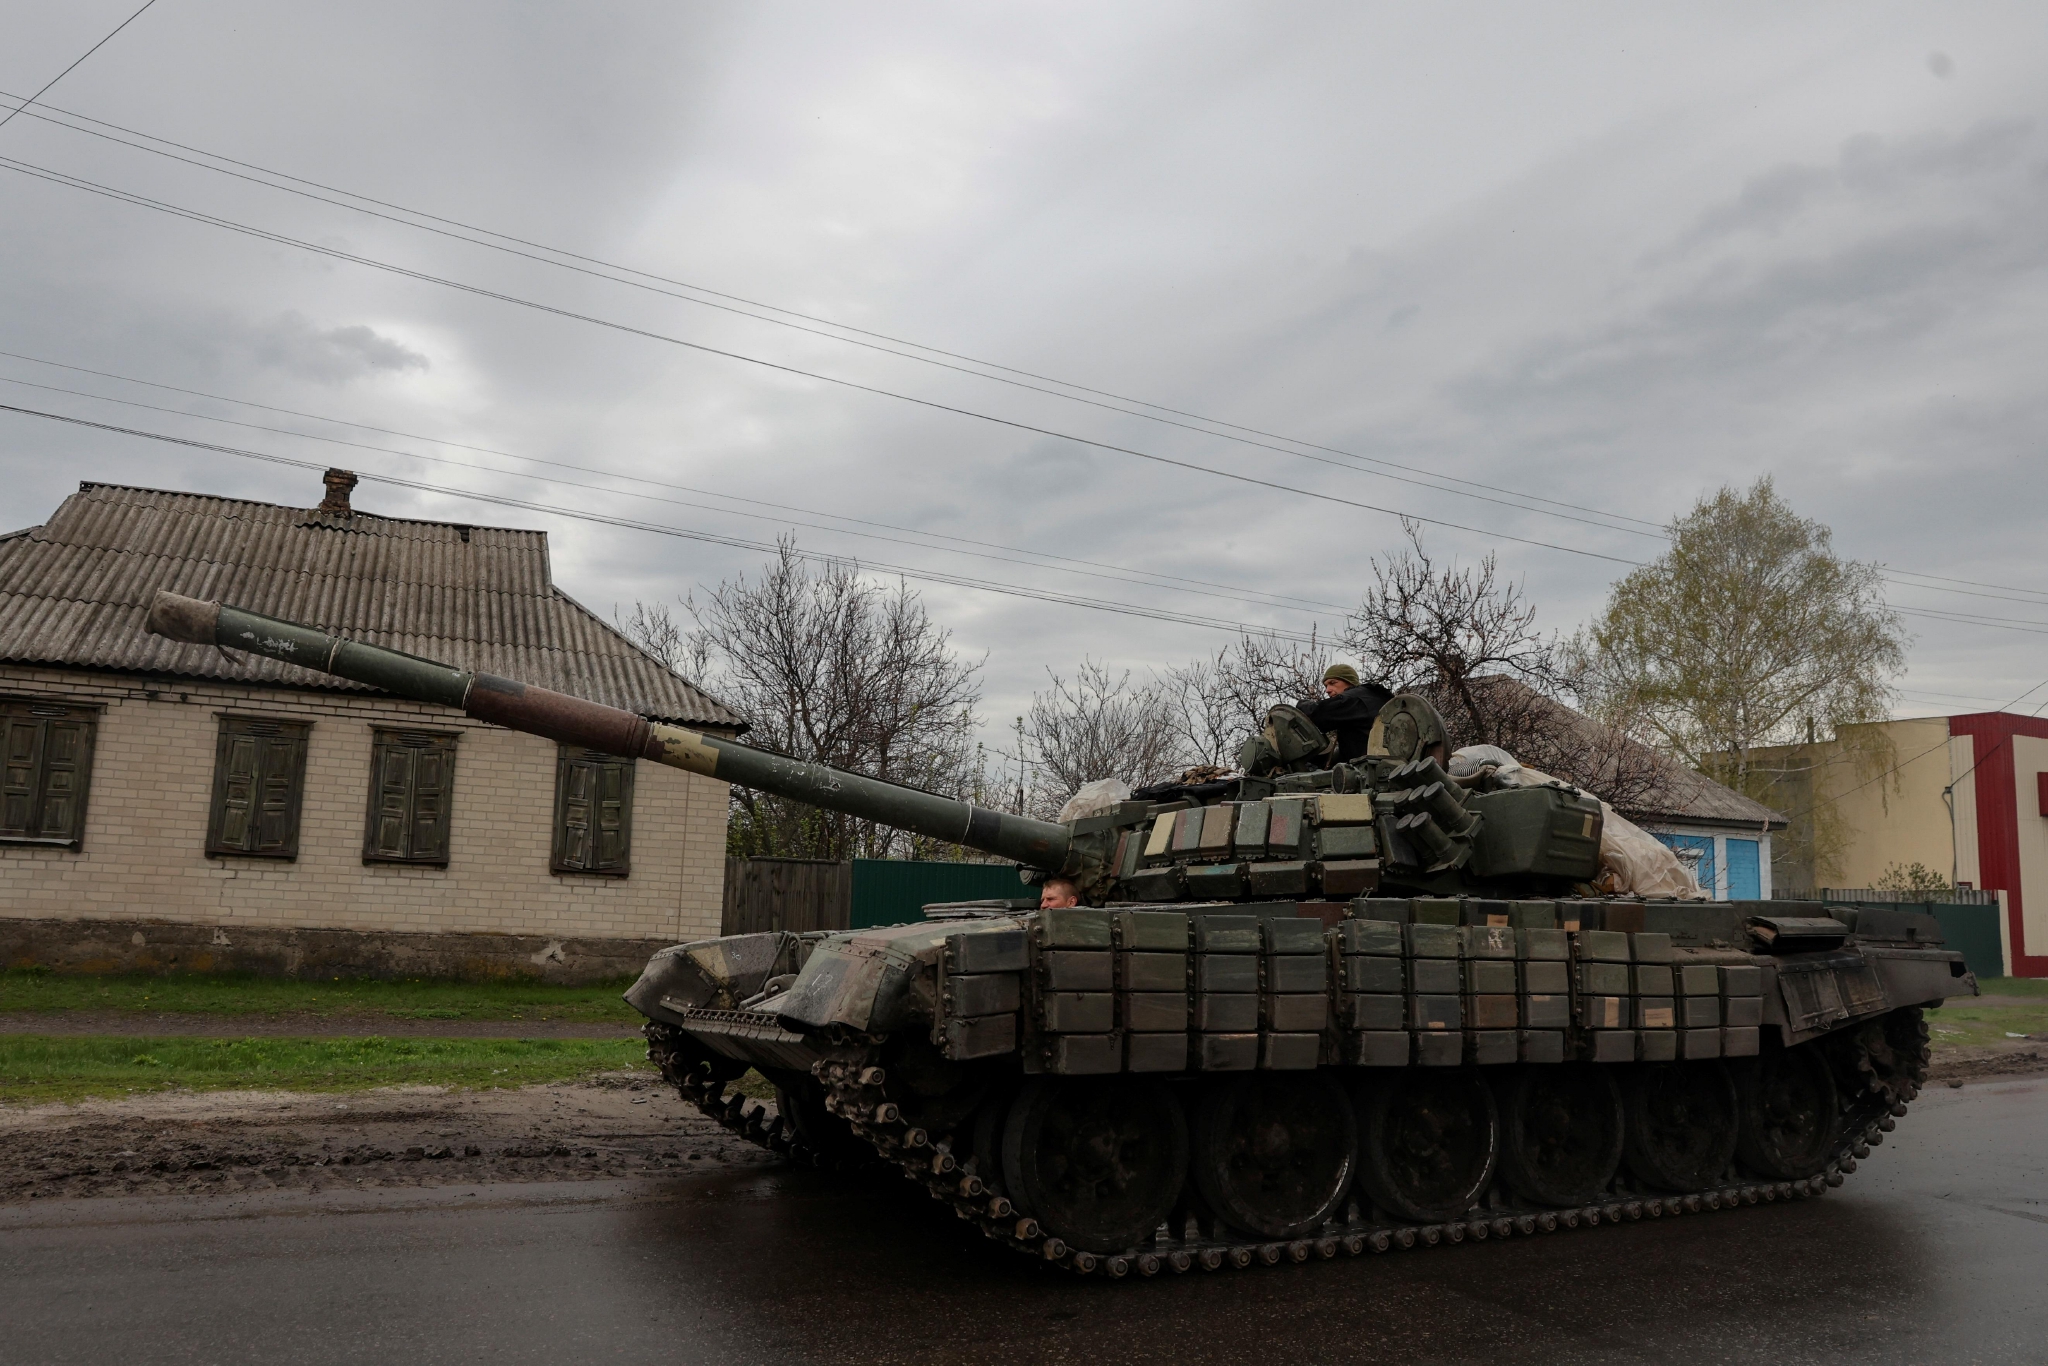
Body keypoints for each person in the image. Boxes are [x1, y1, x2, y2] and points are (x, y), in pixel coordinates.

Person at [1299, 663, 1392, 765]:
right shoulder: (1369, 699)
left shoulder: (1354, 698)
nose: (1327, 690)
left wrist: (1300, 706)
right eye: (1326, 686)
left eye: (1333, 683)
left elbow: (1318, 714)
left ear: (1349, 682)